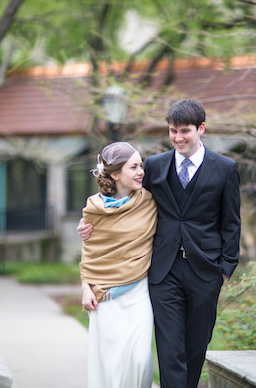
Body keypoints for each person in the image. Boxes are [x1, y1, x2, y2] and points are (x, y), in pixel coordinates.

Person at [79, 99, 241, 388]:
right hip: (162, 271)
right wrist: (93, 224)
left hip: (206, 270)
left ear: (201, 128)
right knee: (169, 347)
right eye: (172, 131)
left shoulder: (225, 168)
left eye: (185, 131)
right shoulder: (154, 166)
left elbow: (231, 222)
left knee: (196, 345)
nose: (178, 137)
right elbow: (125, 199)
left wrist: (226, 267)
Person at [79, 141, 157, 388]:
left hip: (138, 292)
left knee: (139, 360)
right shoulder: (94, 208)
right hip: (105, 297)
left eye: (141, 165)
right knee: (110, 366)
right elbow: (91, 250)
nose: (141, 171)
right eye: (134, 167)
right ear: (115, 174)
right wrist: (85, 287)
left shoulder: (149, 201)